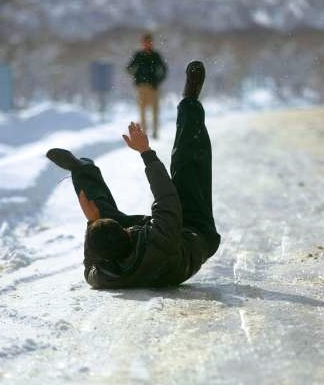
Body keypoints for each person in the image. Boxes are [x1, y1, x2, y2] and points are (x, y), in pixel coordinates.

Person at [46, 61, 219, 289]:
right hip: (193, 233)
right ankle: (190, 103)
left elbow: (89, 268)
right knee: (187, 168)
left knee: (99, 215)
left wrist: (92, 222)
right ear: (127, 232)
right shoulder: (160, 239)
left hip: (150, 242)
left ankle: (81, 169)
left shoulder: (104, 275)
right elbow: (167, 198)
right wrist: (146, 153)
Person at [126, 33, 167, 139]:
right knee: (142, 111)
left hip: (153, 87)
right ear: (142, 43)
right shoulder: (138, 55)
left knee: (155, 111)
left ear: (151, 43)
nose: (147, 44)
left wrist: (159, 80)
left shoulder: (156, 55)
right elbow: (129, 68)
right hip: (141, 87)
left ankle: (155, 132)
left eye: (149, 42)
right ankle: (144, 133)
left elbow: (164, 69)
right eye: (145, 42)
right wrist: (137, 77)